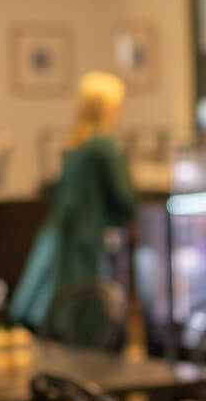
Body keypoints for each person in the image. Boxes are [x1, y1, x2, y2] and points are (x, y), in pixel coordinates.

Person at [7, 71, 134, 342]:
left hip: (62, 236)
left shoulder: (75, 143)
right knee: (89, 312)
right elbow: (124, 197)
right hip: (88, 240)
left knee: (64, 312)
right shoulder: (104, 145)